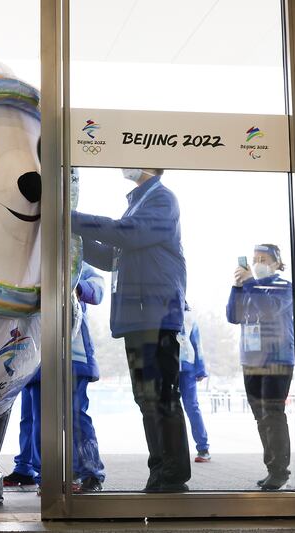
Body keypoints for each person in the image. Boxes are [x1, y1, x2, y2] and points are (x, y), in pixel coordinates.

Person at [71, 168, 189, 492]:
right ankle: (161, 472)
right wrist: (76, 237)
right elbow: (114, 254)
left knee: (161, 397)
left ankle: (173, 476)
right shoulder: (137, 203)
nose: (124, 164)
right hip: (138, 318)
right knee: (147, 399)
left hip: (157, 315)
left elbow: (129, 234)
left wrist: (71, 219)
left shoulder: (162, 199)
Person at [3, 262, 107, 492]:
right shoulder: (30, 262)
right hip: (37, 358)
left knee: (76, 416)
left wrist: (76, 288)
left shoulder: (77, 263)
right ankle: (45, 476)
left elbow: (98, 289)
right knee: (39, 420)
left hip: (74, 356)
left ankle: (89, 473)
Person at [226, 244, 294, 491]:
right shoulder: (249, 287)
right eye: (254, 259)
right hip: (251, 360)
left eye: (263, 259)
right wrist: (236, 287)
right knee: (260, 417)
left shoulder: (284, 287)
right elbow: (233, 316)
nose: (257, 263)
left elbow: (268, 310)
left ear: (276, 263)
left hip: (277, 358)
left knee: (273, 415)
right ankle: (272, 469)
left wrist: (251, 282)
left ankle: (280, 472)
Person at [177, 303, 210, 463]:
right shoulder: (161, 313)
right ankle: (174, 450)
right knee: (176, 408)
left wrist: (200, 369)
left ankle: (203, 447)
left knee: (191, 406)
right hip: (171, 365)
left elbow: (197, 343)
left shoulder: (189, 317)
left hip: (186, 366)